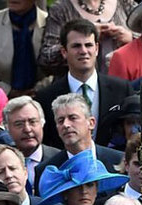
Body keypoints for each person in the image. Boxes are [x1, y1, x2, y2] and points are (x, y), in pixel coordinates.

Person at [35, 19, 133, 151]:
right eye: (76, 46)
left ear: (97, 49)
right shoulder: (46, 97)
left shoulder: (121, 90)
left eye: (88, 45)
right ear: (64, 52)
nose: (83, 51)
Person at [38, 0, 135, 76]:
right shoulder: (61, 9)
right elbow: (46, 59)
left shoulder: (125, 3)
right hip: (76, 89)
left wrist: (131, 38)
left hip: (123, 85)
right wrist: (82, 38)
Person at [0, 0, 47, 97]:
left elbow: (59, 69)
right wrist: (6, 91)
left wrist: (39, 90)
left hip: (43, 96)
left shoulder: (49, 22)